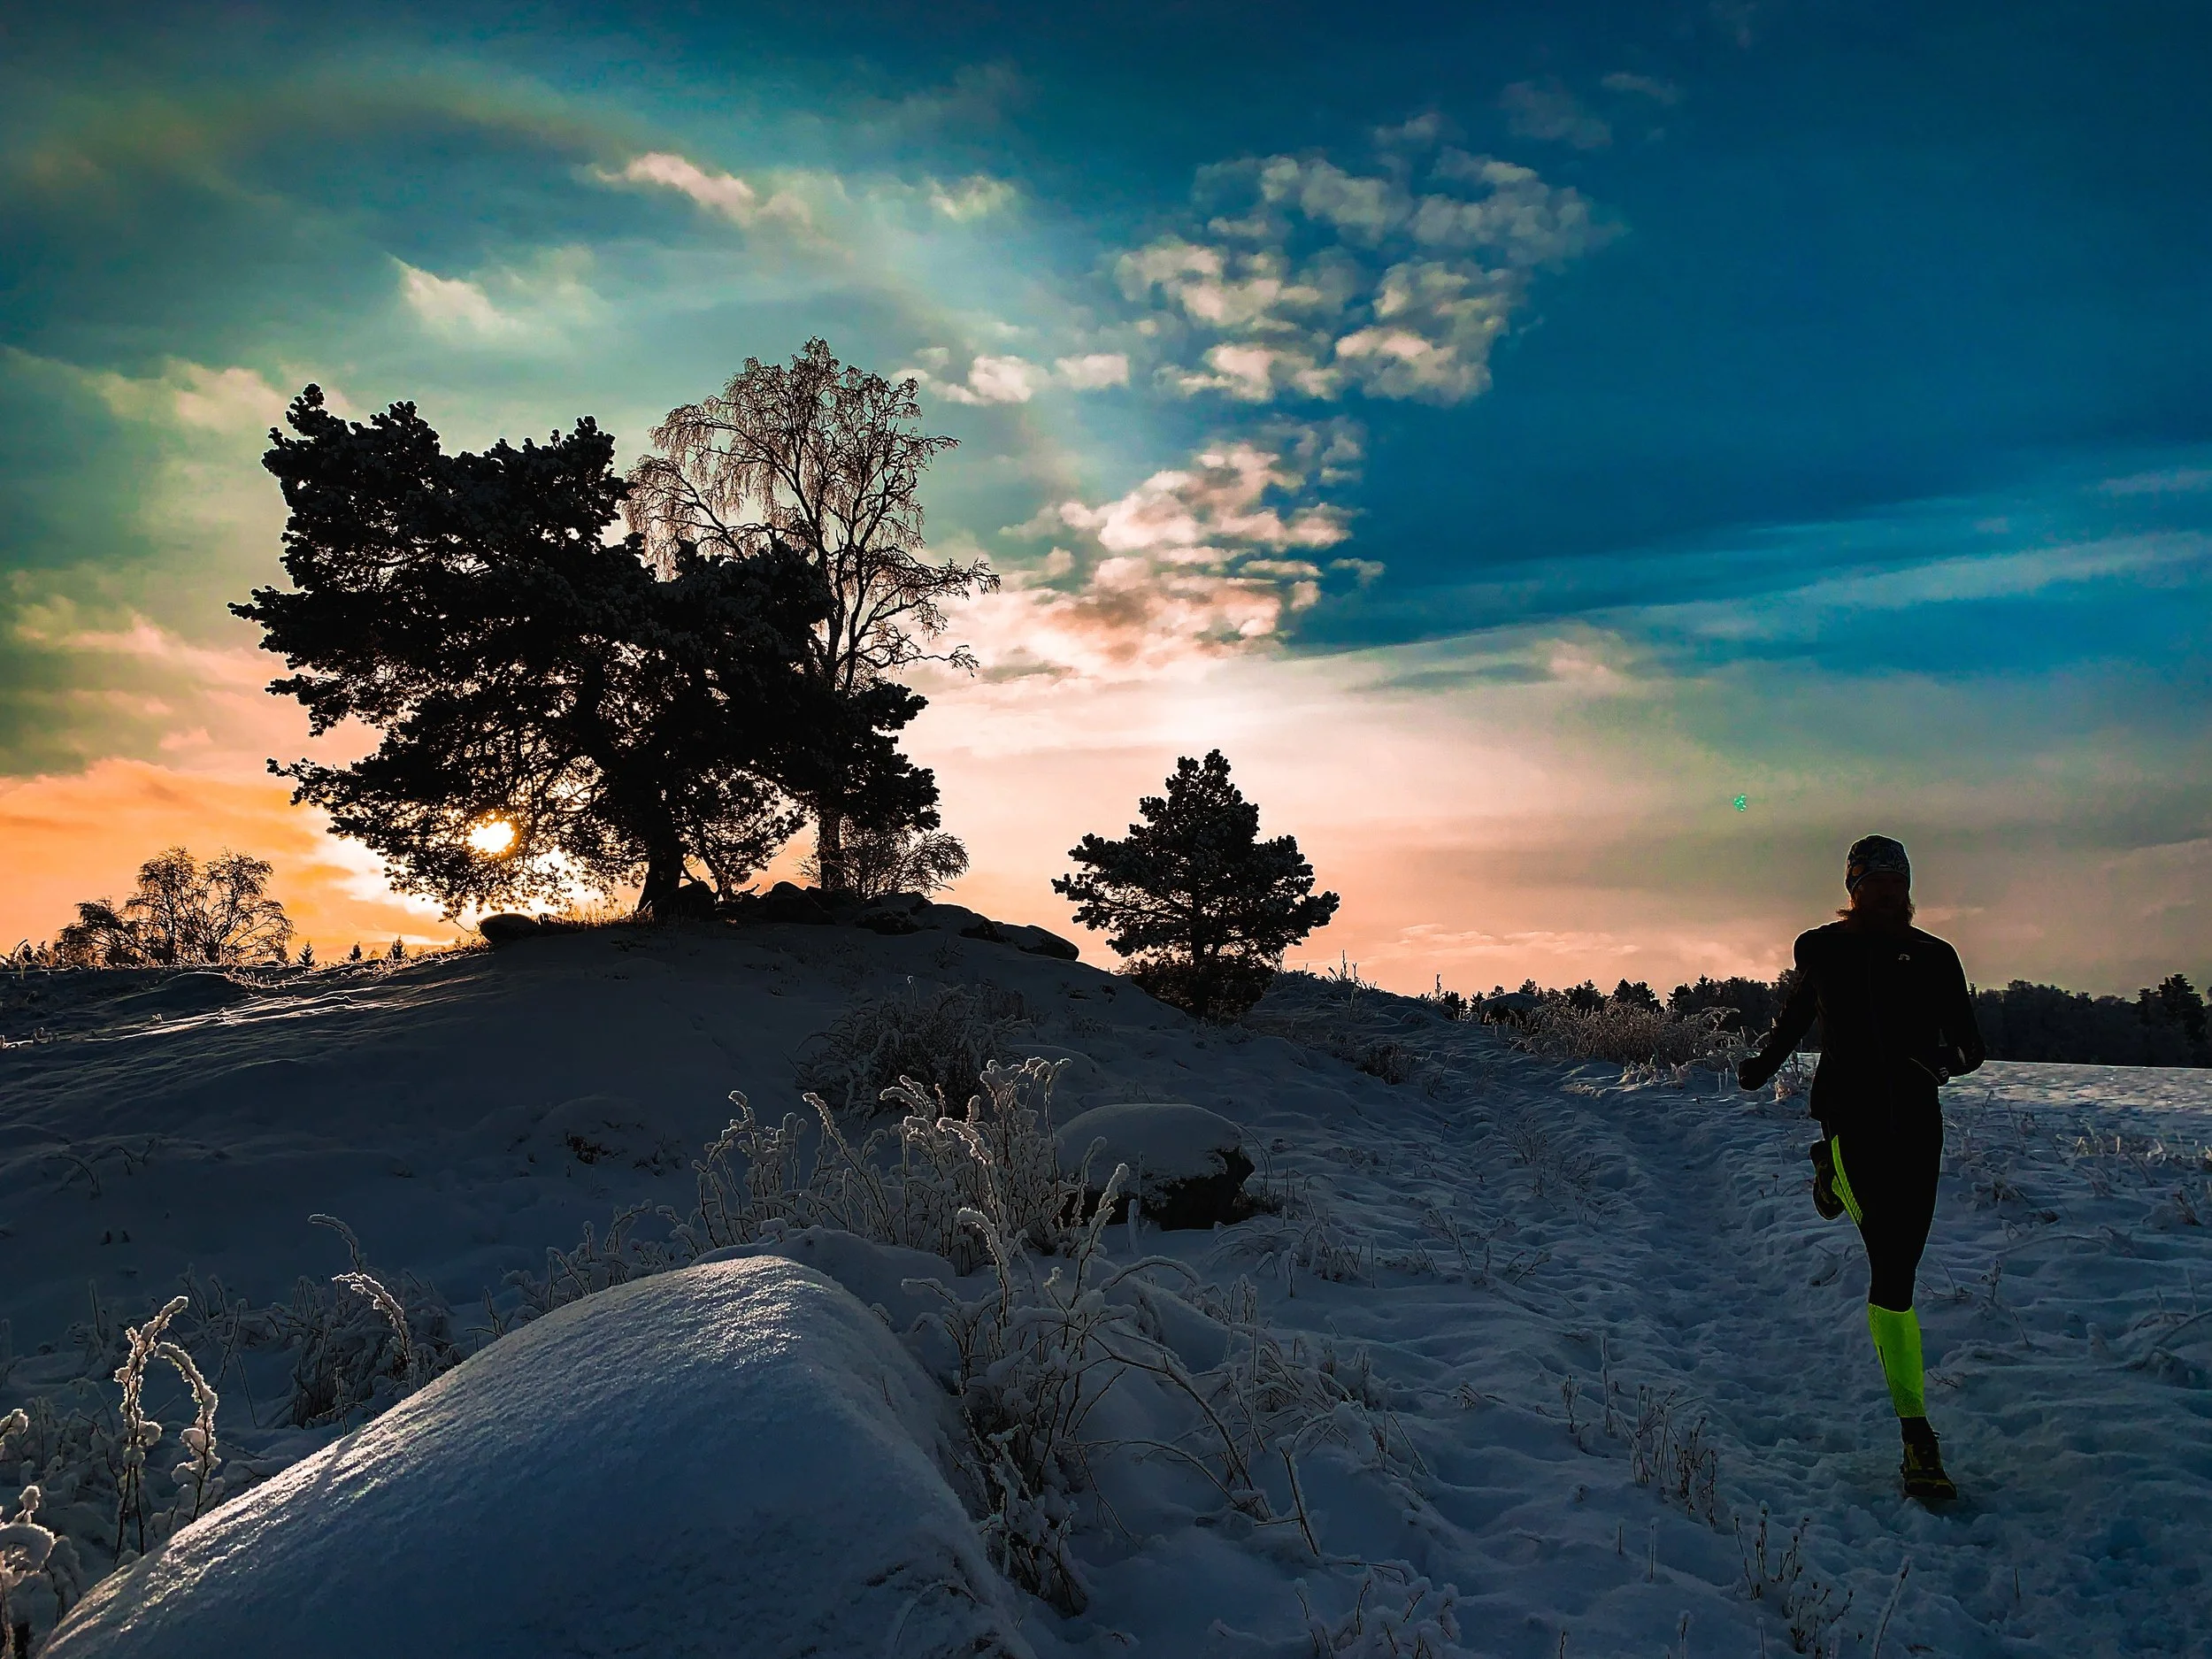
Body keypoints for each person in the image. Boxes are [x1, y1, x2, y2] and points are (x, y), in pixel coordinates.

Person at [1736, 834, 1985, 1502]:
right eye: (1871, 881)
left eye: (1894, 882)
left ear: (1907, 888)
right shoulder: (1825, 948)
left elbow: (1971, 1047)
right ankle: (1916, 1433)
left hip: (1917, 1124)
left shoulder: (1936, 956)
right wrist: (1760, 1067)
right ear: (1853, 889)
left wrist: (1933, 1062)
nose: (1884, 891)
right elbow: (1795, 1019)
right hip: (1850, 1116)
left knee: (1904, 1258)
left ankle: (1828, 1175)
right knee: (1891, 1270)